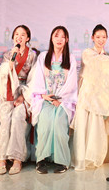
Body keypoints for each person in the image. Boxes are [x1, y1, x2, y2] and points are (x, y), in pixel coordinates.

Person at [72, 24, 109, 171]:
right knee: (83, 126)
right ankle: (80, 159)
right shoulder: (88, 53)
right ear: (92, 38)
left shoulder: (107, 57)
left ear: (107, 38)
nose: (101, 40)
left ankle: (93, 158)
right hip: (87, 92)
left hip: (99, 95)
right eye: (98, 37)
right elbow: (99, 62)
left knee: (96, 127)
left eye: (103, 37)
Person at [29, 25, 78, 174]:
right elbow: (38, 79)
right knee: (45, 123)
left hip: (64, 101)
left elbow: (72, 83)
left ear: (67, 40)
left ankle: (61, 161)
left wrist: (60, 100)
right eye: (56, 36)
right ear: (51, 38)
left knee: (58, 123)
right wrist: (44, 96)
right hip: (45, 98)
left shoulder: (70, 58)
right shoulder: (43, 57)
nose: (59, 39)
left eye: (63, 36)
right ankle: (42, 159)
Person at [0, 25, 40, 175]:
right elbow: (3, 75)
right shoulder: (8, 54)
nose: (19, 37)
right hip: (8, 92)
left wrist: (23, 96)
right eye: (16, 34)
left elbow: (34, 79)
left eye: (22, 35)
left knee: (17, 117)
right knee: (5, 120)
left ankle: (17, 159)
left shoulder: (32, 56)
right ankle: (2, 159)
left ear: (27, 38)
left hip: (25, 92)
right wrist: (10, 64)